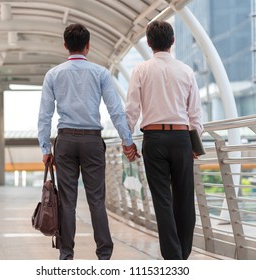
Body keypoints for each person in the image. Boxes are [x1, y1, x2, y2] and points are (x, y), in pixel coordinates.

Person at [37, 23, 139, 260]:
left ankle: (66, 254)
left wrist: (44, 147)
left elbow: (44, 115)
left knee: (67, 201)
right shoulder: (100, 73)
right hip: (92, 141)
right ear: (88, 46)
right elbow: (115, 110)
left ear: (65, 46)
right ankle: (104, 254)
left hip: (65, 141)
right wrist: (127, 141)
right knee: (96, 201)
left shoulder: (53, 74)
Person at [125, 20, 204, 260]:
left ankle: (173, 257)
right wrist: (195, 143)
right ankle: (184, 252)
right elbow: (195, 114)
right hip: (181, 137)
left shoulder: (141, 70)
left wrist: (127, 142)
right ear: (172, 41)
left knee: (162, 200)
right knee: (184, 197)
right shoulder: (186, 71)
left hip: (154, 138)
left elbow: (131, 110)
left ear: (148, 43)